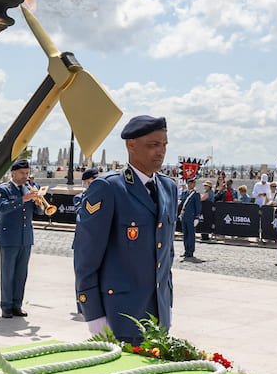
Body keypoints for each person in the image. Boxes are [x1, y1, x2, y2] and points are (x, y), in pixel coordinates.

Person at [74, 115, 179, 345]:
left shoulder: (169, 188)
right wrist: (94, 315)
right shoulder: (108, 187)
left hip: (158, 314)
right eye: (153, 145)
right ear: (131, 145)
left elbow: (166, 252)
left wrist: (166, 303)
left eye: (164, 145)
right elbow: (86, 255)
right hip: (119, 315)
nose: (161, 151)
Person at [0, 159, 39, 318]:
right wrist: (24, 199)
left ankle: (17, 305)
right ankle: (6, 306)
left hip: (26, 238)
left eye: (27, 173)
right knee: (8, 274)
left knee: (21, 274)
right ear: (13, 173)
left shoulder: (30, 188)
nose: (25, 176)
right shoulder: (2, 189)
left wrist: (38, 201)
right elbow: (3, 208)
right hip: (9, 238)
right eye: (22, 173)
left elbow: (38, 213)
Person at [178, 176, 202, 261]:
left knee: (191, 235)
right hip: (184, 216)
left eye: (191, 183)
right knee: (185, 235)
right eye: (188, 183)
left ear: (194, 184)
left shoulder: (196, 194)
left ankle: (190, 251)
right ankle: (186, 250)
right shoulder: (185, 193)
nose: (189, 184)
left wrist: (197, 217)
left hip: (191, 217)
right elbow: (182, 204)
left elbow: (198, 206)